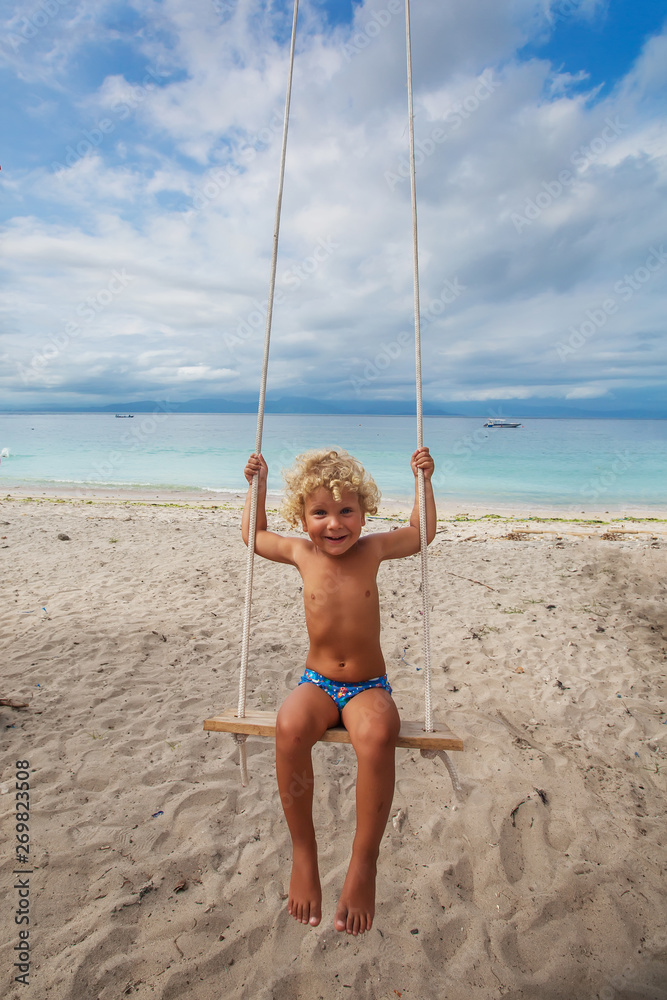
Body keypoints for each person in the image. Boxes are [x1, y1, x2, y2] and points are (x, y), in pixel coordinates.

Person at [242, 445, 436, 935]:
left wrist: (424, 482)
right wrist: (256, 487)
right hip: (318, 682)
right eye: (320, 513)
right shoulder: (300, 553)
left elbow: (421, 533)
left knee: (378, 733)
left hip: (368, 686)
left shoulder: (373, 550)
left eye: (347, 511)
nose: (334, 524)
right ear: (302, 518)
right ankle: (304, 854)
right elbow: (253, 536)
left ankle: (363, 863)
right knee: (289, 725)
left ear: (365, 514)